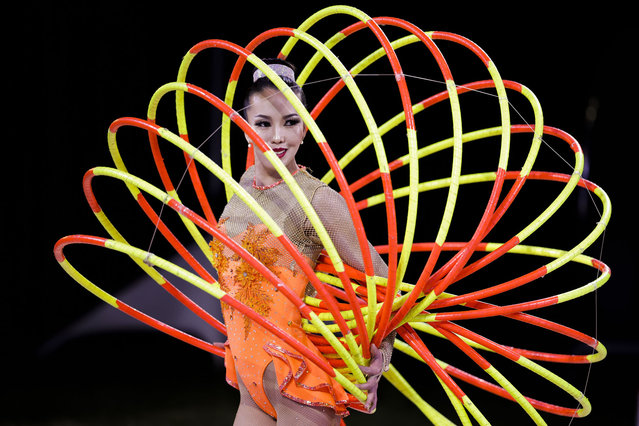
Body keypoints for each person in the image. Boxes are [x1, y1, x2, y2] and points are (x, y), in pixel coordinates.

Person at [209, 58, 394, 425]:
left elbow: (383, 284)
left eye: (291, 123)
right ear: (245, 129)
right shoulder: (242, 188)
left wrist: (381, 354)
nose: (277, 137)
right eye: (263, 124)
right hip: (250, 385)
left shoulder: (318, 201)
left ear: (304, 130)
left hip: (299, 387)